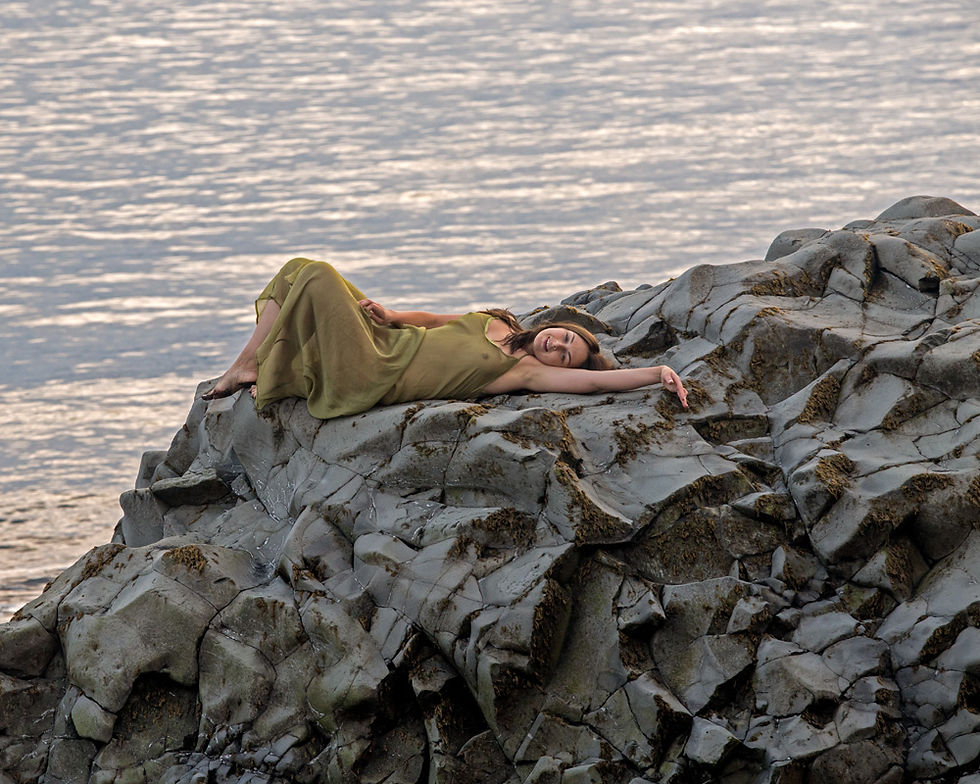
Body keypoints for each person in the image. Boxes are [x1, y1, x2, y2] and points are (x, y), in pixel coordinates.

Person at [202, 258, 688, 416]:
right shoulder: (499, 323)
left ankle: (251, 366)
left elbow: (598, 382)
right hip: (384, 341)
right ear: (553, 326)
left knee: (318, 277)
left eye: (565, 356)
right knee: (296, 269)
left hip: (374, 374)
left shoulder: (523, 372)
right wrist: (391, 315)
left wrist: (657, 373)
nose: (557, 346)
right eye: (563, 337)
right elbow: (435, 322)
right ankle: (253, 363)